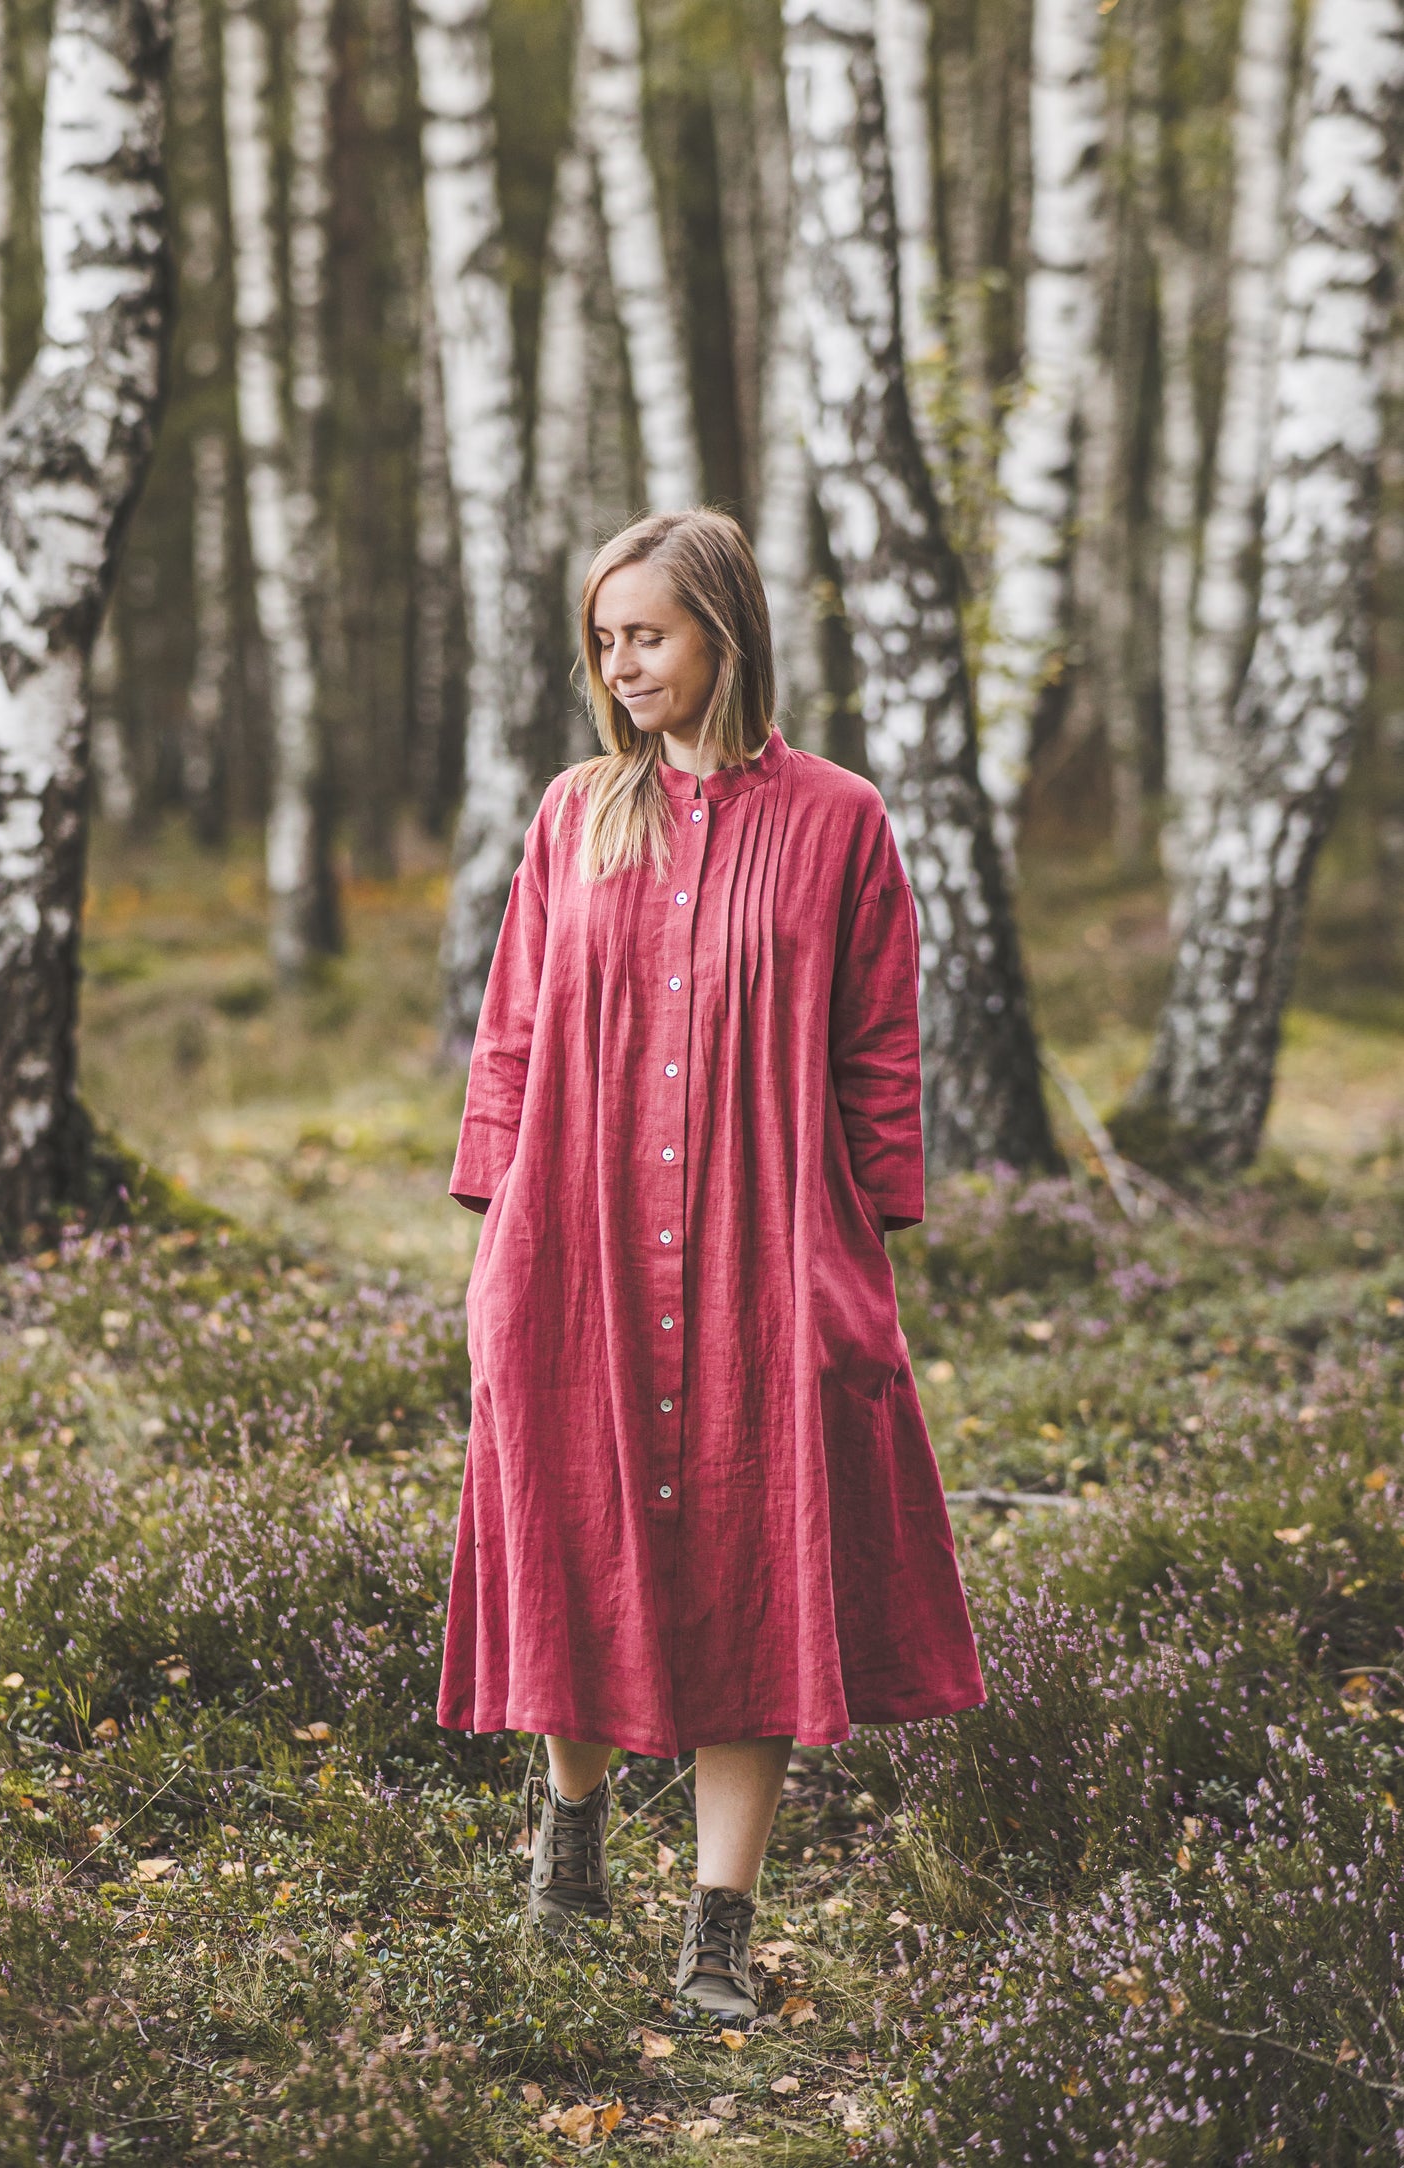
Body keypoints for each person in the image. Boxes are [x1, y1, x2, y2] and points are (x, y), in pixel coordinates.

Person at [438, 507, 984, 2021]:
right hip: (578, 1242)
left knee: (756, 1560)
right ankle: (568, 1838)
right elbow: (513, 1034)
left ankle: (717, 1929)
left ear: (723, 635)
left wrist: (858, 1251)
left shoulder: (839, 820)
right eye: (603, 642)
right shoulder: (575, 813)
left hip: (765, 1246)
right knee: (577, 1531)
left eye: (648, 638)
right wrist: (497, 1241)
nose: (621, 669)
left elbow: (879, 1052)